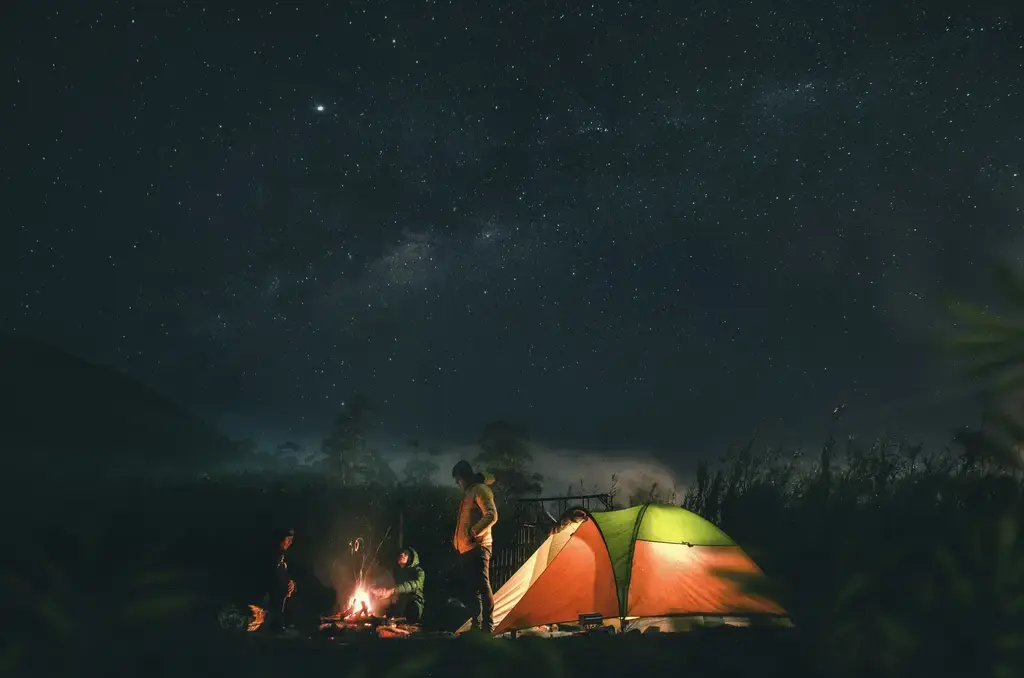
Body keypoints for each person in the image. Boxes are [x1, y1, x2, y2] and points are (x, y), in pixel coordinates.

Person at [452, 460, 498, 632]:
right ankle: (476, 625)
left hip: (479, 546)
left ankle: (487, 626)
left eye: (458, 479)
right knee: (473, 588)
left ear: (464, 476)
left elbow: (492, 515)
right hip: (467, 547)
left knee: (482, 586)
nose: (458, 483)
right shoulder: (470, 492)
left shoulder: (480, 490)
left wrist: (473, 532)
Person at [371, 547, 426, 623]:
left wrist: (393, 590)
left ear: (410, 558)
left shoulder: (419, 571)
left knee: (411, 609)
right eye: (401, 553)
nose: (402, 554)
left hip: (413, 603)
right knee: (382, 607)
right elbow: (385, 580)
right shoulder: (396, 571)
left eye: (406, 554)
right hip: (399, 603)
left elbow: (413, 585)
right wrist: (377, 590)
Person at [265, 527, 297, 633]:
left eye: (291, 539)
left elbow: (287, 579)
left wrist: (292, 585)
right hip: (265, 610)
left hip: (279, 613)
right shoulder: (269, 558)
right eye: (288, 539)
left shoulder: (283, 559)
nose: (290, 542)